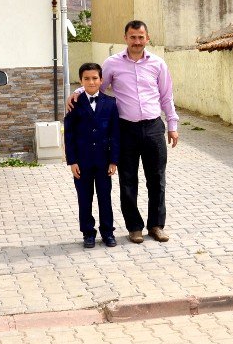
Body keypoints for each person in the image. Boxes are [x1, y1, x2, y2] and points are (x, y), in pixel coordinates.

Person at [68, 20, 179, 244]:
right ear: (125, 38)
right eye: (132, 37)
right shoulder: (113, 63)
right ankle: (134, 227)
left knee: (157, 179)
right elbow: (96, 82)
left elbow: (166, 96)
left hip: (153, 127)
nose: (136, 41)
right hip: (125, 128)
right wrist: (77, 92)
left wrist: (172, 125)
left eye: (141, 37)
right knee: (128, 180)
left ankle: (156, 225)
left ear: (147, 38)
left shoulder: (158, 64)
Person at [64, 63, 120, 248]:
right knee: (84, 198)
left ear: (101, 80)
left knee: (105, 198)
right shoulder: (74, 103)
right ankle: (88, 233)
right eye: (86, 78)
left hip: (104, 161)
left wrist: (114, 160)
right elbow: (69, 134)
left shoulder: (110, 103)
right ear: (81, 81)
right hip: (83, 161)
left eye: (95, 78)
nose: (91, 81)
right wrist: (72, 161)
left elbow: (115, 134)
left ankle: (108, 232)